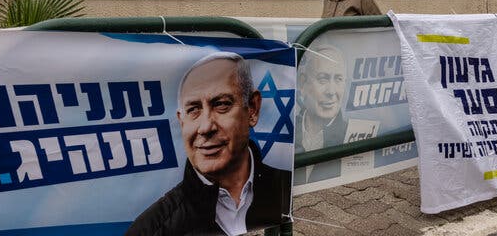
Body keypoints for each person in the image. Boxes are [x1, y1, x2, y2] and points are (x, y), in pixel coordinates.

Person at [127, 52, 291, 236]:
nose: (205, 127)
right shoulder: (150, 229)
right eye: (193, 109)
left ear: (252, 109)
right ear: (182, 122)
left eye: (221, 104)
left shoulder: (287, 187)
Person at [295, 45, 347, 184]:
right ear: (302, 83)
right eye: (323, 79)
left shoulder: (353, 134)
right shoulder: (286, 130)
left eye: (338, 79)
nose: (331, 91)